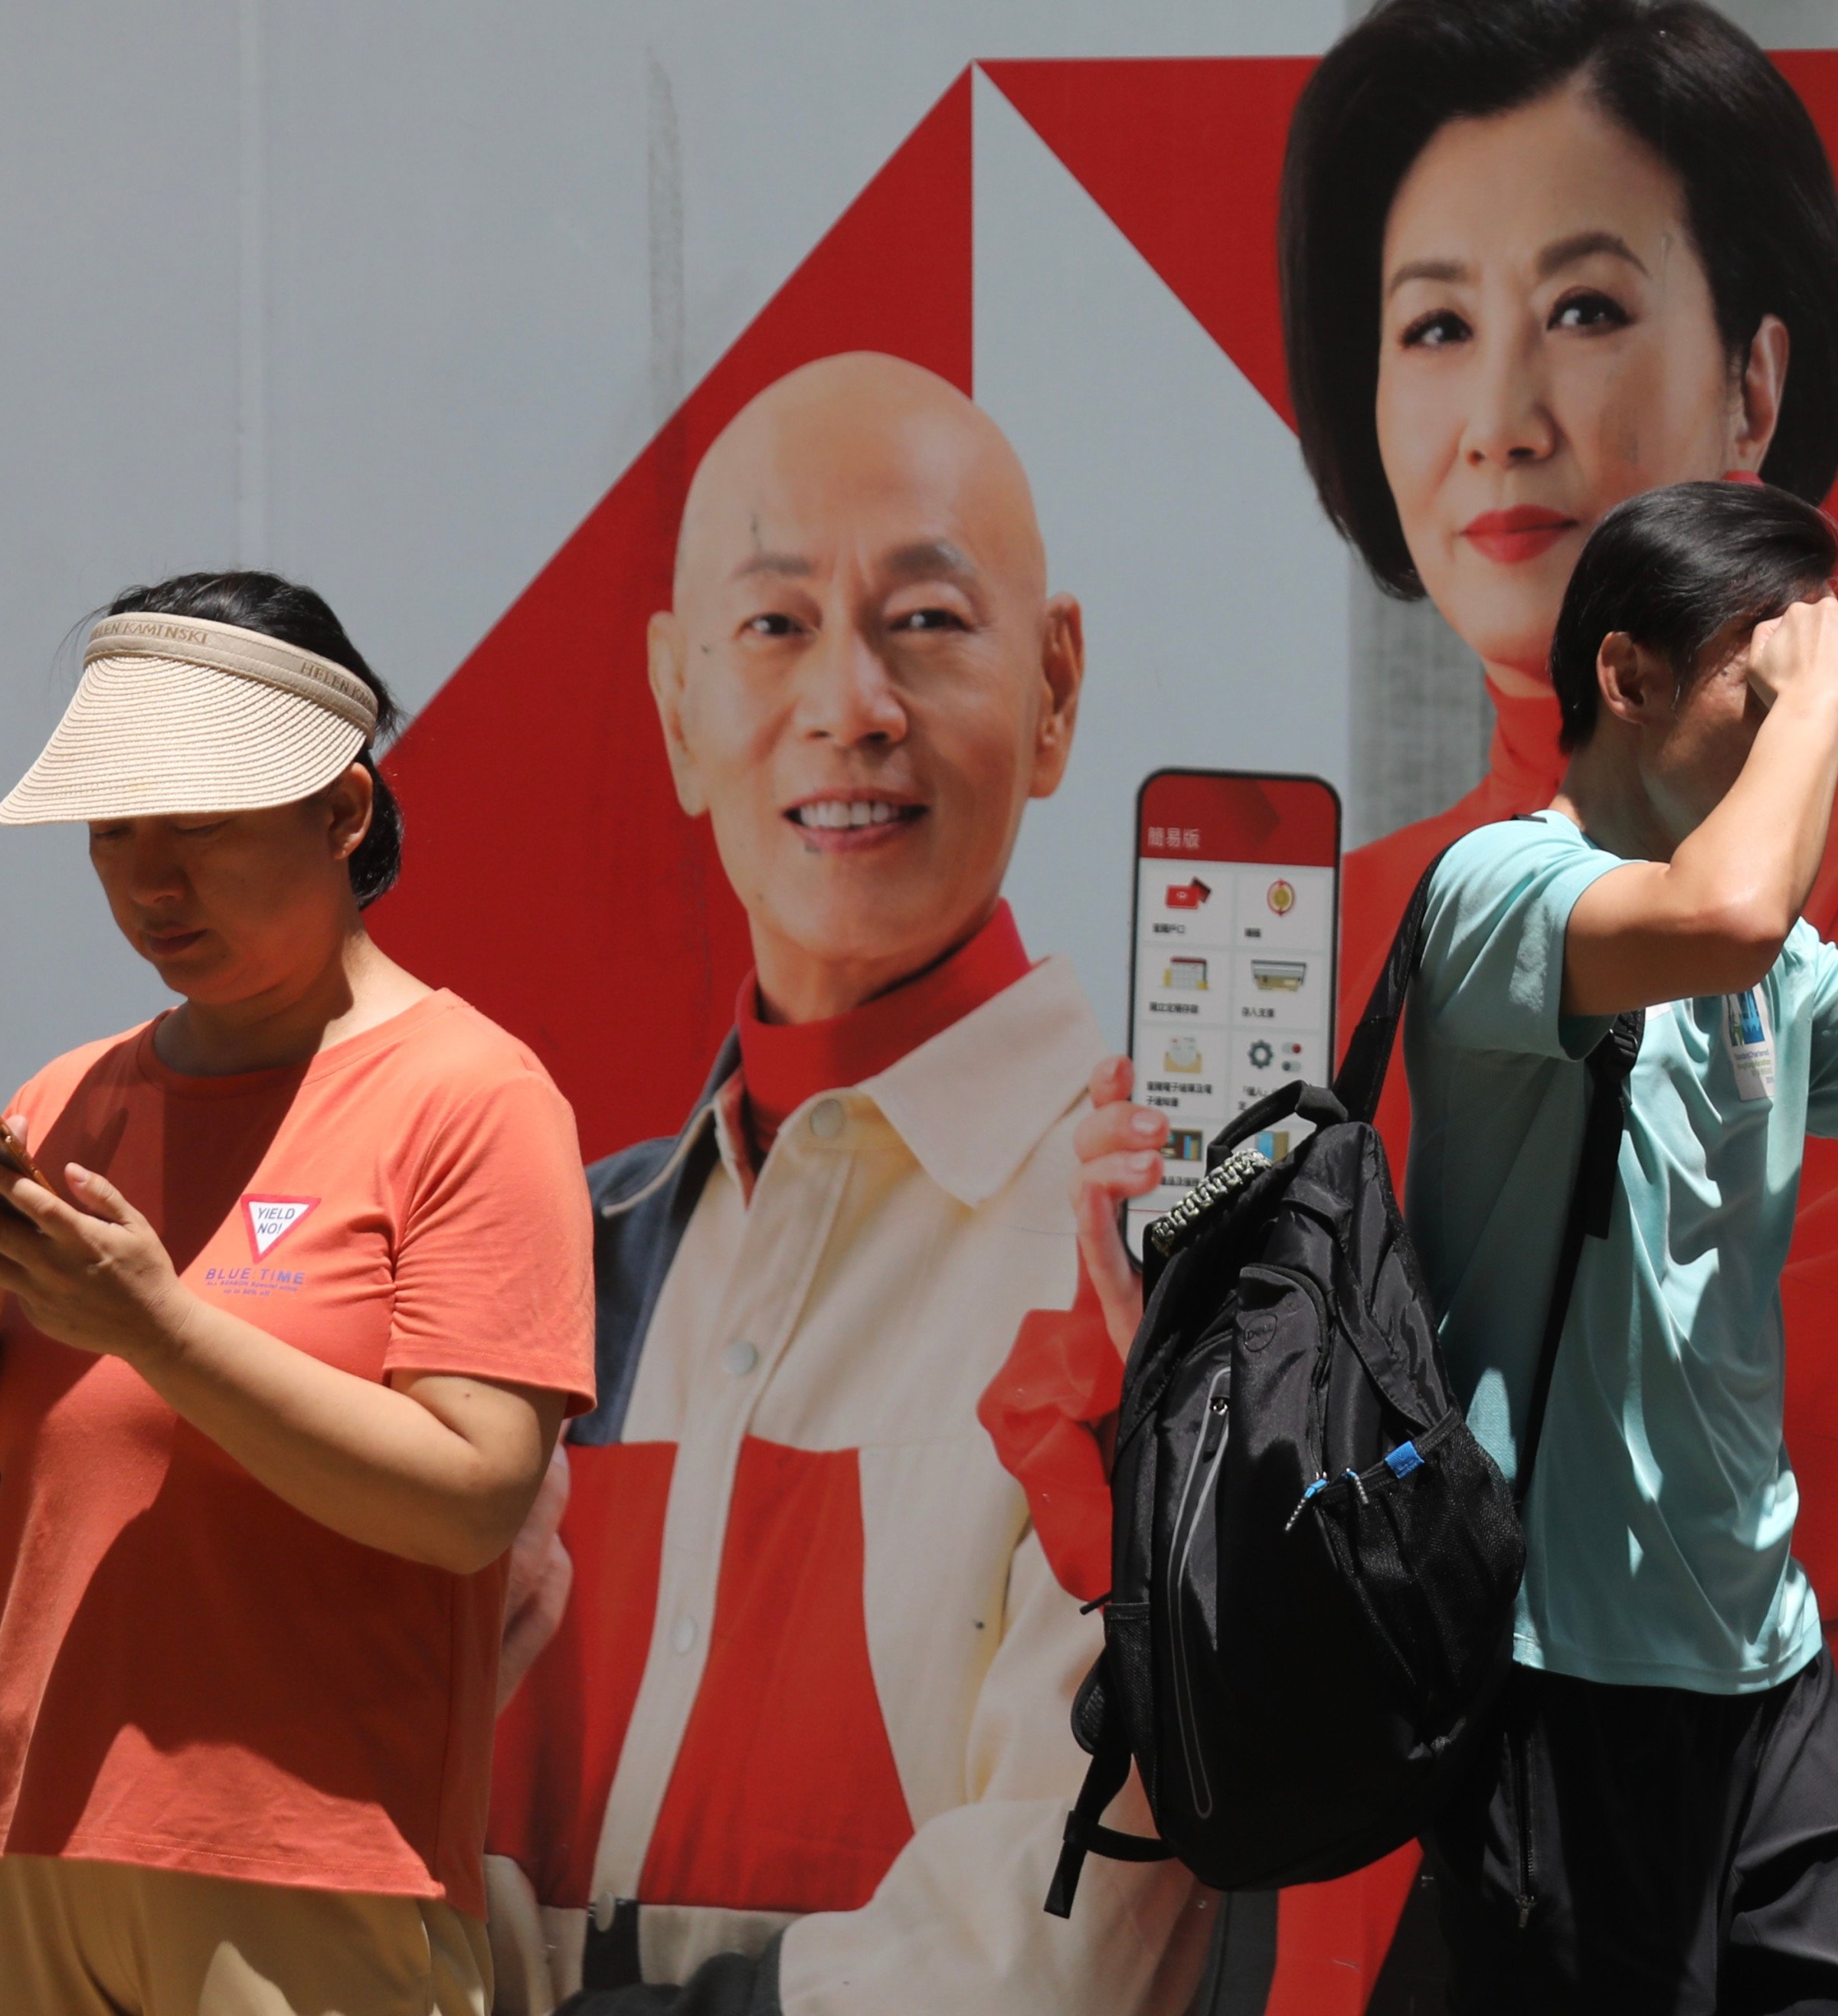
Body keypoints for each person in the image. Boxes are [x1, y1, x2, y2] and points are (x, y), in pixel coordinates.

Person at [1279, 0, 1838, 1784]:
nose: (1501, 418)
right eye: (1436, 326)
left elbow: (1779, 1512)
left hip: (1694, 1861)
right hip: (1352, 1895)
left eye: (1586, 310)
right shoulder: (1350, 913)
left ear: (1754, 384)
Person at [478, 352, 1208, 2014]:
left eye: (927, 623)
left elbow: (1051, 1953)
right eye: (775, 625)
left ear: (1056, 687)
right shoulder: (556, 1254)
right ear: (677, 705)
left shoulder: (1147, 1255)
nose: (849, 706)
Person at [1386, 479, 1838, 2012]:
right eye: (1757, 687)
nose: (1804, 731)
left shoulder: (1768, 963)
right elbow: (1725, 913)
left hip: (1762, 1669)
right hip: (1557, 1672)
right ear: (1624, 678)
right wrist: (1824, 681)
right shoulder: (1497, 891)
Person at [0, 574, 595, 2014]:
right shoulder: (65, 1097)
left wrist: (160, 1327)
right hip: (18, 1849)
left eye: (204, 823)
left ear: (344, 813)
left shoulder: (472, 1097)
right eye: (115, 831)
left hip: (310, 1873)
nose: (149, 882)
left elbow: (473, 1496)